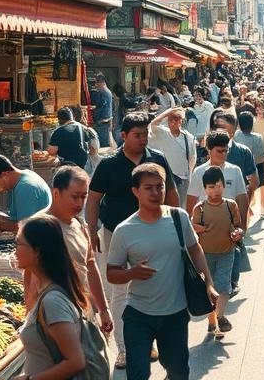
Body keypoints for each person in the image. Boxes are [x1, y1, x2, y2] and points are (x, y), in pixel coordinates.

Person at [106, 163, 216, 380]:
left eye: (160, 186)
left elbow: (195, 250)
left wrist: (209, 283)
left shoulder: (179, 217)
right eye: (148, 188)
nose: (156, 193)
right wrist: (131, 273)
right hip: (138, 315)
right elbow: (111, 274)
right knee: (137, 374)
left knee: (178, 372)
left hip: (175, 315)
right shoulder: (124, 231)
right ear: (136, 191)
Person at [87, 112, 179, 367]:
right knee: (120, 292)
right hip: (116, 234)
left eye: (145, 135)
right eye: (137, 135)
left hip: (154, 234)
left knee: (150, 286)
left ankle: (146, 343)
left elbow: (170, 192)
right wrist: (91, 230)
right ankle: (125, 349)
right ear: (123, 136)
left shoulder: (156, 160)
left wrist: (177, 223)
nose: (142, 140)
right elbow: (93, 198)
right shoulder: (108, 165)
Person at [14, 214, 103, 380]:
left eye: (19, 243)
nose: (15, 249)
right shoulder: (48, 292)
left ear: (37, 251)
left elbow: (76, 362)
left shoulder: (53, 301)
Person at [33, 166, 113, 334]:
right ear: (56, 193)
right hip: (55, 317)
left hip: (83, 312)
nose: (80, 203)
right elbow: (30, 279)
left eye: (84, 197)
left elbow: (90, 267)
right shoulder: (38, 227)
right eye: (75, 197)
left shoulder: (80, 226)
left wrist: (103, 309)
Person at [190, 166, 244, 340]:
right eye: (211, 187)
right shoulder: (200, 208)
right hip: (205, 256)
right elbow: (192, 229)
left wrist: (238, 234)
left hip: (227, 252)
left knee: (224, 286)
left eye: (219, 185)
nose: (215, 190)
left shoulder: (231, 205)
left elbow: (238, 226)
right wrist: (196, 228)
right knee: (209, 289)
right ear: (205, 189)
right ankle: (213, 320)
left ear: (224, 185)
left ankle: (219, 317)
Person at [185, 132, 249, 222]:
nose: (223, 154)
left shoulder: (235, 171)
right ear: (209, 149)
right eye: (219, 151)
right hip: (205, 225)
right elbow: (191, 202)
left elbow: (242, 200)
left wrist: (242, 227)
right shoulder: (198, 172)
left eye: (226, 151)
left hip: (229, 224)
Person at [0, 154, 53, 232]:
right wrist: (3, 218)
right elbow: (21, 217)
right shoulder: (24, 175)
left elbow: (26, 228)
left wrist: (2, 225)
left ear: (4, 174)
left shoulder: (26, 188)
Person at [148, 106, 195, 200]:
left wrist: (189, 177)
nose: (173, 124)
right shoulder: (163, 133)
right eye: (170, 121)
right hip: (167, 178)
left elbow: (192, 159)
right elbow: (152, 125)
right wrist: (169, 111)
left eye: (176, 121)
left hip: (182, 178)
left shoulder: (188, 137)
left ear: (181, 122)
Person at [232, 111, 264, 220]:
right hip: (253, 170)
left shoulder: (235, 135)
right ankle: (249, 210)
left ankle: (244, 212)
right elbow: (261, 157)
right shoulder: (257, 137)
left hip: (238, 169)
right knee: (250, 192)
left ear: (239, 124)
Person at [90, 74, 115, 149]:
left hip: (102, 122)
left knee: (102, 145)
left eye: (96, 82)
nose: (95, 85)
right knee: (105, 143)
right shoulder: (108, 92)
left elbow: (101, 105)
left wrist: (94, 108)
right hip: (106, 121)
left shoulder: (102, 92)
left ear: (101, 82)